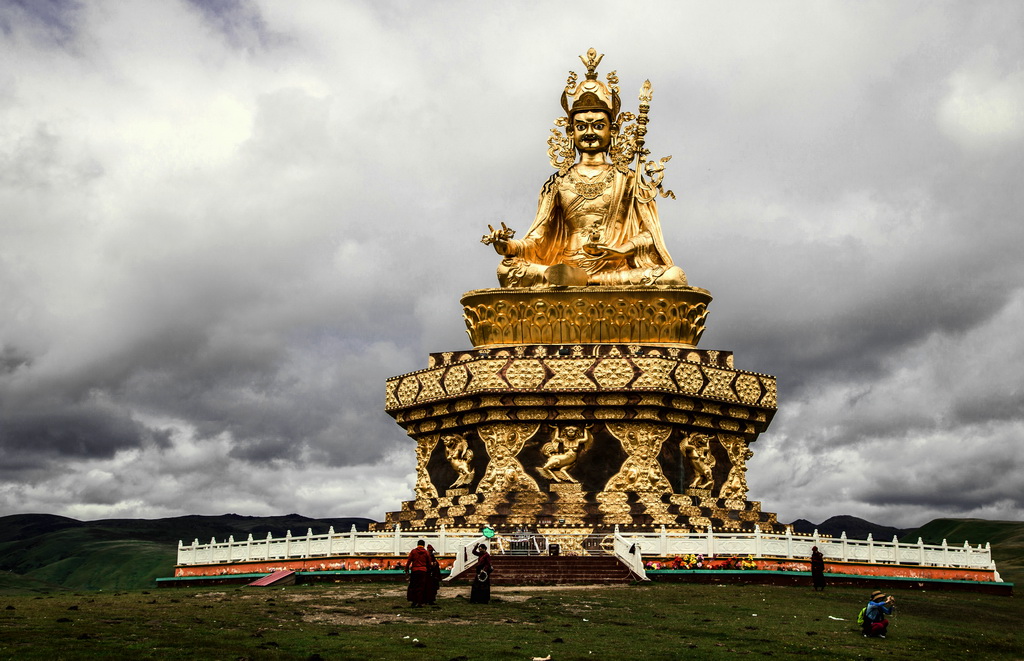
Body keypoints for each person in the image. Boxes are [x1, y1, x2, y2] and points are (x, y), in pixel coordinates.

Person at [481, 48, 687, 288]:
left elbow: (650, 235)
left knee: (673, 277)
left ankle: (588, 281)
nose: (589, 132)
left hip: (615, 271)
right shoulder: (557, 183)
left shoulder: (629, 179)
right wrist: (507, 246)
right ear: (571, 132)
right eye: (582, 126)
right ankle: (573, 278)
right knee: (507, 269)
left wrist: (622, 250)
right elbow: (537, 240)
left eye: (598, 125)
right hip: (564, 265)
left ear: (614, 131)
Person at [404, 539, 430, 607]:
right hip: (423, 571)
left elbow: (409, 561)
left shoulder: (413, 551)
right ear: (424, 545)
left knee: (414, 586)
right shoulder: (426, 552)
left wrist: (406, 569)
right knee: (421, 586)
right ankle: (420, 602)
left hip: (415, 570)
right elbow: (429, 563)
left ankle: (414, 601)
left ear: (417, 544)